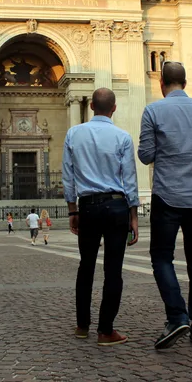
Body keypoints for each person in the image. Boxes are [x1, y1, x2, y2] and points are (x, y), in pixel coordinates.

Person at [138, 62, 192, 349]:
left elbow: (146, 155)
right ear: (185, 82)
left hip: (168, 196)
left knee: (161, 258)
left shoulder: (153, 111)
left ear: (162, 82)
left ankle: (177, 315)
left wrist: (168, 149)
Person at [64, 88, 139, 347]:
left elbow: (68, 175)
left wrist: (72, 210)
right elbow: (129, 178)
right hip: (117, 206)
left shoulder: (74, 133)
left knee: (86, 267)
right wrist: (134, 215)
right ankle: (106, 330)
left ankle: (83, 326)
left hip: (87, 207)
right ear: (114, 108)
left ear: (92, 105)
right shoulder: (123, 136)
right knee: (113, 270)